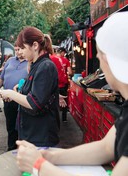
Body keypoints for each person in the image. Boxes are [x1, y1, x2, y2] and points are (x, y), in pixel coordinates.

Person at [16, 11, 128, 176]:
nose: (98, 59)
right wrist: (50, 156)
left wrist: (39, 165)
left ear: (110, 59)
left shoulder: (45, 66)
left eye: (99, 54)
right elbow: (105, 147)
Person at [0, 26, 60, 147]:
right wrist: (19, 90)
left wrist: (12, 94)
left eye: (22, 48)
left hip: (40, 137)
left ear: (35, 46)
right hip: (32, 135)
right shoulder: (36, 65)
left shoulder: (45, 66)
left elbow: (35, 103)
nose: (20, 52)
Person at [0, 45, 28, 151]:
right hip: (7, 100)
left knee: (21, 127)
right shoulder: (10, 60)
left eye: (19, 49)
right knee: (10, 126)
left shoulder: (29, 62)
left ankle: (21, 151)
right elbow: (1, 78)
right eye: (16, 50)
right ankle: (11, 148)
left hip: (22, 100)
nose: (18, 52)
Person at [57, 47, 73, 122]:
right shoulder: (66, 60)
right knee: (64, 100)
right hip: (63, 84)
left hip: (55, 85)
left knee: (55, 102)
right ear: (62, 52)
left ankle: (56, 119)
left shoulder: (51, 59)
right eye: (64, 53)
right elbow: (70, 72)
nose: (64, 54)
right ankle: (64, 118)